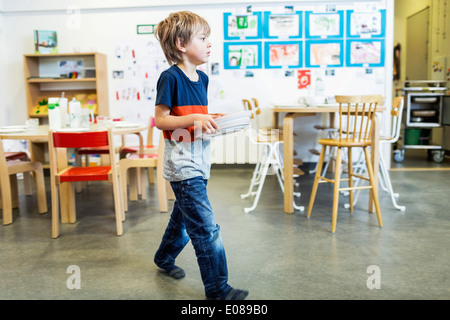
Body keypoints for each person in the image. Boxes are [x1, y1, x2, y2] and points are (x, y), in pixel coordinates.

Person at [152, 11, 249, 300]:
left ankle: (163, 258)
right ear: (182, 44)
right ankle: (218, 289)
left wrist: (209, 117)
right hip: (182, 166)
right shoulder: (169, 78)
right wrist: (195, 116)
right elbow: (161, 120)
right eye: (203, 38)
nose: (209, 44)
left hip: (200, 160)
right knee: (207, 229)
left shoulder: (203, 79)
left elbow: (193, 119)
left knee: (181, 220)